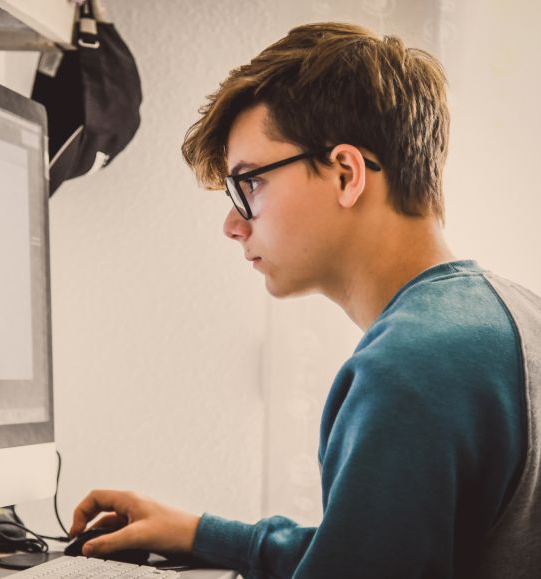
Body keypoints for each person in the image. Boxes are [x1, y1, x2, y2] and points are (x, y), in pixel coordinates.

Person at [68, 22, 541, 578]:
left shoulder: (411, 368)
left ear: (346, 174)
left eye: (250, 184)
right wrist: (203, 534)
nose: (231, 224)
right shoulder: (513, 316)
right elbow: (384, 551)